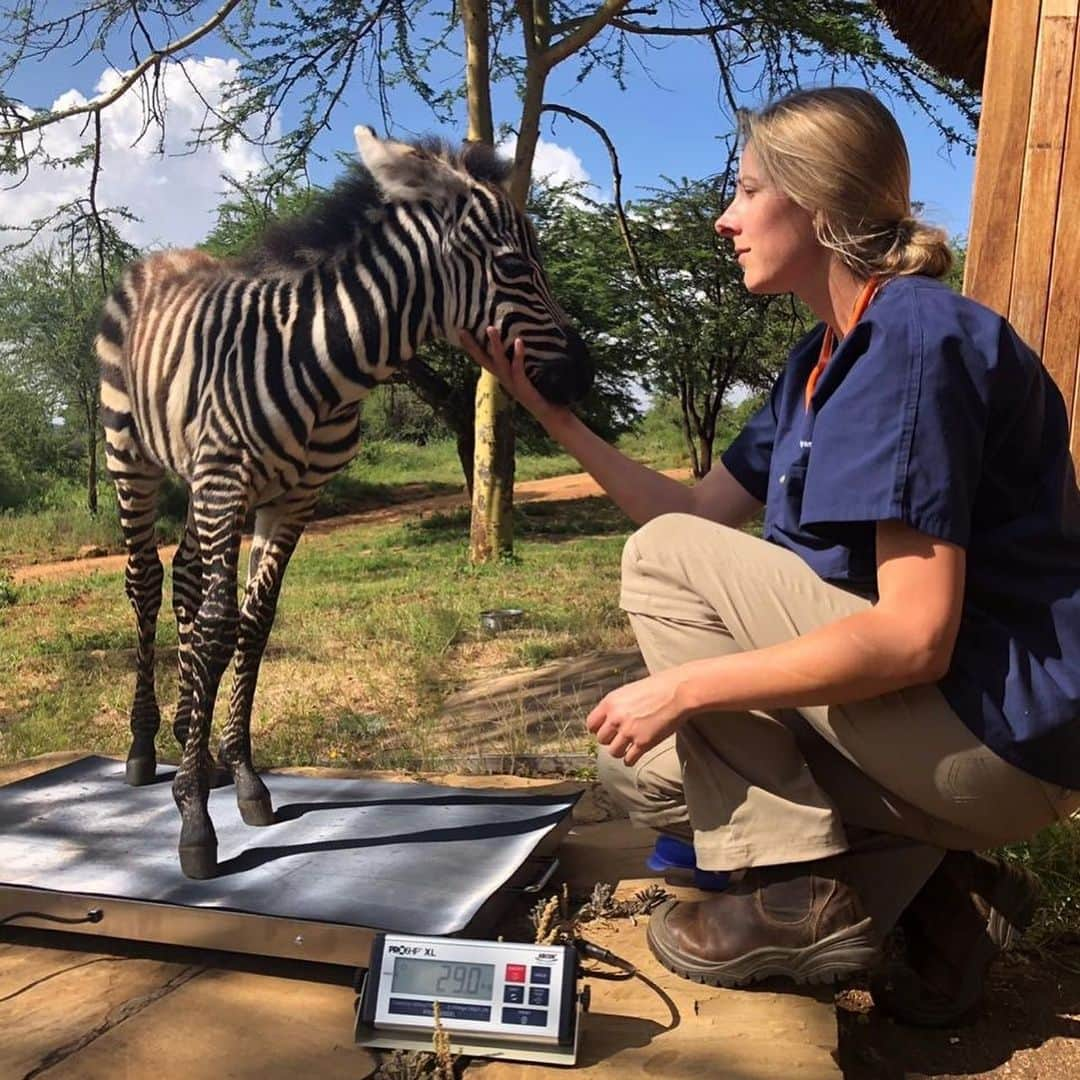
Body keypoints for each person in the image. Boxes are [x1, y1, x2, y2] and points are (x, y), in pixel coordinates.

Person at [459, 86, 1080, 1026]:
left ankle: (797, 893)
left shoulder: (910, 341)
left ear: (819, 204)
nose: (725, 219)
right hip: (930, 739)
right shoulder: (816, 364)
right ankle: (940, 897)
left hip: (996, 732)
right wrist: (551, 413)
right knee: (641, 774)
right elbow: (690, 508)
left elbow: (915, 638)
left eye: (748, 191)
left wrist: (688, 687)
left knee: (671, 601)